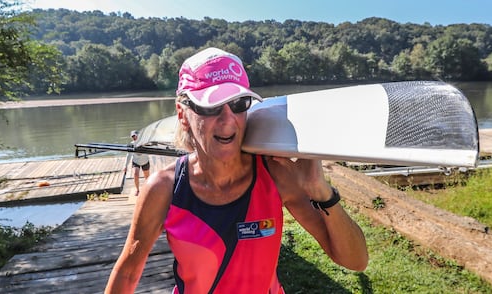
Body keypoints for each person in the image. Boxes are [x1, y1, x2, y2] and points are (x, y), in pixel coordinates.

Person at [106, 47, 368, 293]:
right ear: (183, 114)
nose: (228, 118)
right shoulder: (165, 189)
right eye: (211, 107)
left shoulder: (275, 176)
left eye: (239, 103)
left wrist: (320, 191)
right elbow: (128, 273)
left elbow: (355, 261)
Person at [124, 130, 150, 196]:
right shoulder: (131, 144)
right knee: (136, 174)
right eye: (133, 136)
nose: (134, 137)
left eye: (135, 136)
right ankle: (137, 190)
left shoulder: (145, 143)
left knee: (147, 177)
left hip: (145, 161)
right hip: (136, 162)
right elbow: (128, 155)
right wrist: (125, 166)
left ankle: (148, 189)